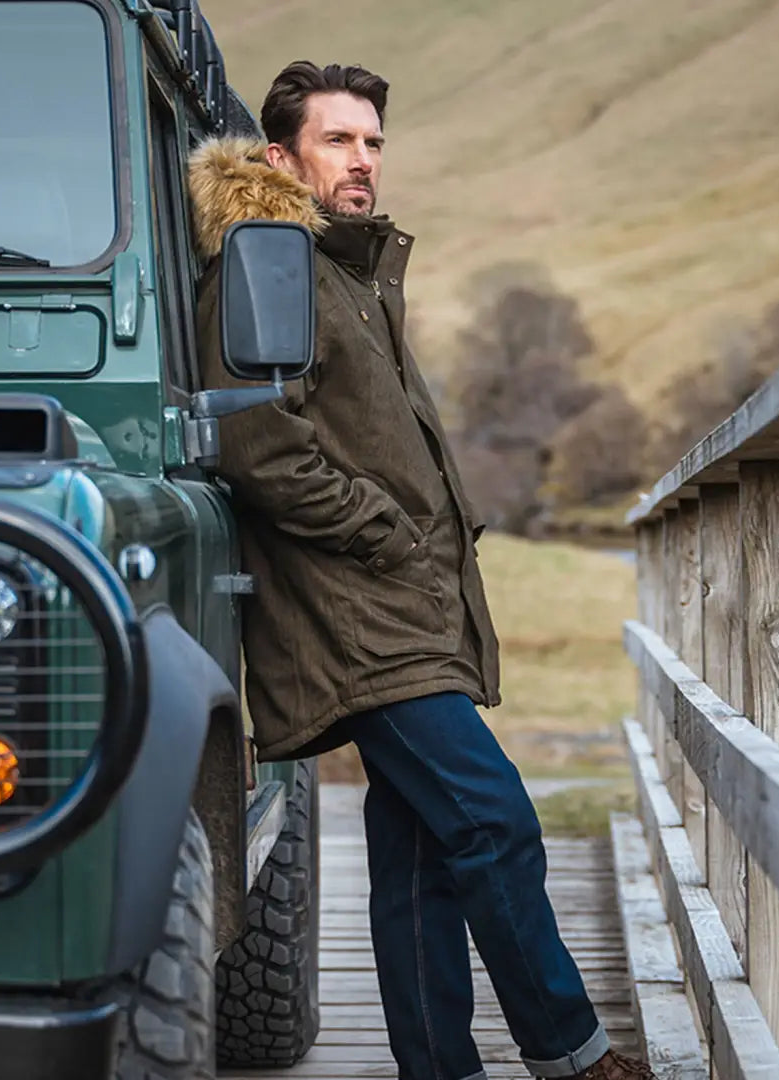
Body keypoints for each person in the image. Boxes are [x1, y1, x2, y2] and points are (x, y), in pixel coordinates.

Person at [189, 60, 657, 1080]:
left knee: (415, 867)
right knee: (494, 820)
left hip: (399, 605)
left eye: (373, 142)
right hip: (360, 615)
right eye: (338, 141)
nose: (363, 160)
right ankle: (575, 1056)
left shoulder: (341, 272)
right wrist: (387, 533)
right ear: (281, 157)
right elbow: (261, 445)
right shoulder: (268, 266)